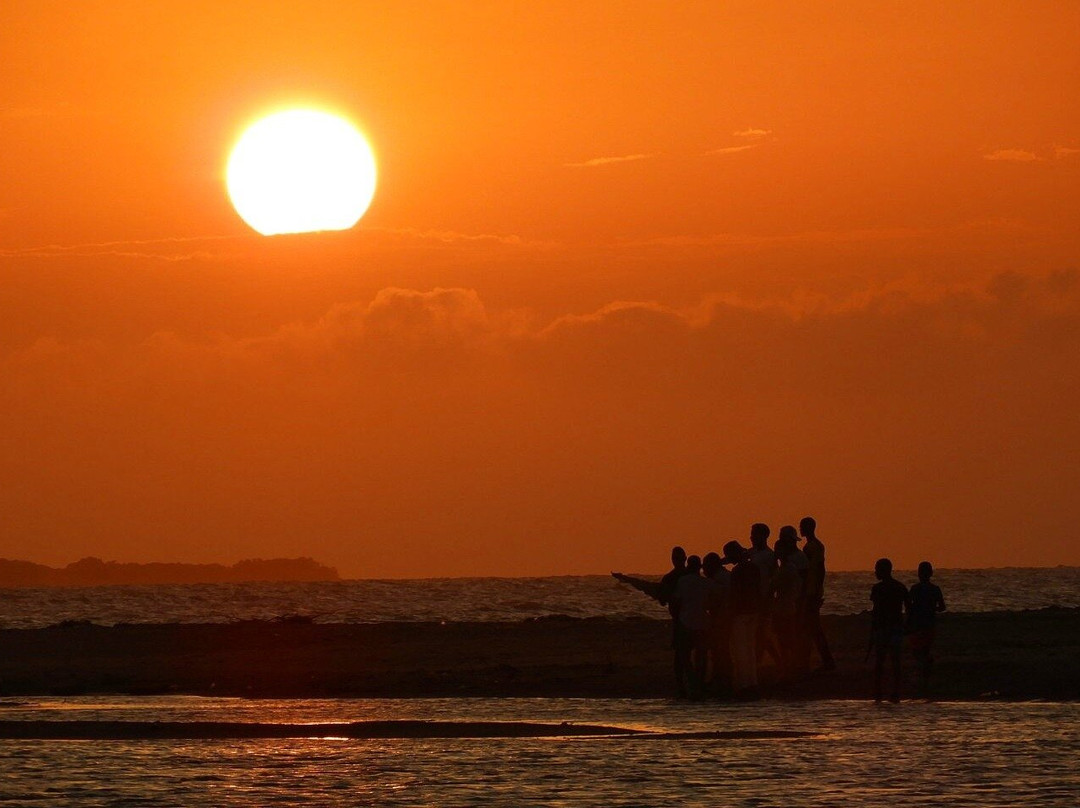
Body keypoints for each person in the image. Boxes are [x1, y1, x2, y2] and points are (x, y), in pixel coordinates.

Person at [612, 546, 693, 696]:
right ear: (685, 559)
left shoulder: (670, 578)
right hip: (698, 619)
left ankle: (683, 685)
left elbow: (661, 598)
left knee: (681, 654)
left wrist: (627, 579)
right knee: (698, 652)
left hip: (681, 621)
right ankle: (695, 683)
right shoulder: (692, 575)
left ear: (673, 560)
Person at [723, 540, 761, 698]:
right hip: (754, 612)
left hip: (740, 613)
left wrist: (730, 614)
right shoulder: (754, 568)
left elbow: (734, 595)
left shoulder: (737, 571)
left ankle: (744, 685)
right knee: (750, 648)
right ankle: (753, 683)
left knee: (740, 651)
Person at [870, 557, 910, 703]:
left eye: (877, 569)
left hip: (883, 628)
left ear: (883, 571)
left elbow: (876, 611)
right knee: (895, 660)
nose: (875, 572)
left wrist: (873, 629)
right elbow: (908, 607)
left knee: (880, 661)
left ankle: (878, 692)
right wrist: (906, 624)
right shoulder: (900, 587)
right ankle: (895, 692)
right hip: (896, 627)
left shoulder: (877, 588)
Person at [799, 516, 836, 671]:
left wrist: (816, 591)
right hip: (812, 591)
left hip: (811, 592)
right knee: (812, 627)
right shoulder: (813, 546)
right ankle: (815, 661)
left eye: (802, 526)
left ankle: (824, 661)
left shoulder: (812, 547)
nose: (800, 529)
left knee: (812, 627)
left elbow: (819, 569)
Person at [672, 555, 712, 698]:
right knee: (701, 655)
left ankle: (692, 681)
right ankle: (700, 683)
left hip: (686, 621)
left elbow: (677, 600)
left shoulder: (683, 581)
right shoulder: (706, 582)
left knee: (685, 656)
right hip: (702, 622)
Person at [772, 529, 806, 680]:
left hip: (787, 606)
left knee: (786, 637)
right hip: (787, 605)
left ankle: (790, 666)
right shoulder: (787, 565)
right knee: (786, 637)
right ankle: (791, 665)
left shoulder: (789, 566)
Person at [908, 561, 946, 693]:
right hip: (929, 624)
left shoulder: (915, 588)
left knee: (918, 652)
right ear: (931, 573)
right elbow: (942, 607)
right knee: (924, 651)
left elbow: (909, 607)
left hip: (918, 625)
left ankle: (924, 677)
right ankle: (925, 677)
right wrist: (931, 609)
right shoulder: (935, 589)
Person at [749, 523, 781, 669]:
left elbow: (775, 577)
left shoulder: (769, 555)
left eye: (754, 534)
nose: (751, 537)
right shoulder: (753, 552)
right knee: (759, 632)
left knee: (761, 632)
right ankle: (763, 660)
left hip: (764, 598)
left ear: (764, 536)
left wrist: (770, 596)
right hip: (755, 598)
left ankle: (770, 661)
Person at [702, 551, 732, 693]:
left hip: (721, 619)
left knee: (719, 650)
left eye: (706, 567)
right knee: (722, 649)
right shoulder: (726, 576)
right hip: (726, 617)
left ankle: (721, 679)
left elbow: (714, 600)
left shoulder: (718, 580)